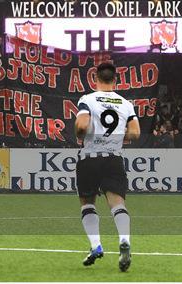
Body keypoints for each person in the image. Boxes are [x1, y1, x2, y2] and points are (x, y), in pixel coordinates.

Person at [74, 62, 140, 272]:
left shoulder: (88, 99)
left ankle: (96, 246)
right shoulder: (125, 104)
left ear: (96, 79)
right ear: (115, 79)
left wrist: (79, 135)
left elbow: (83, 125)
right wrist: (120, 137)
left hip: (90, 158)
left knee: (87, 203)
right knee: (117, 204)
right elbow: (136, 133)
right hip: (113, 159)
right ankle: (124, 240)